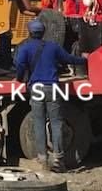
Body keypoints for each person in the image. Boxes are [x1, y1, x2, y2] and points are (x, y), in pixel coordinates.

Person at [14, 15, 87, 172]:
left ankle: (42, 158)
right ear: (43, 32)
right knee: (56, 122)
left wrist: (20, 78)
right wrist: (84, 60)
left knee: (39, 122)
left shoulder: (25, 48)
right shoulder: (52, 46)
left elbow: (19, 64)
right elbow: (68, 59)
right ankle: (58, 158)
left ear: (29, 32)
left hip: (37, 89)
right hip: (52, 88)